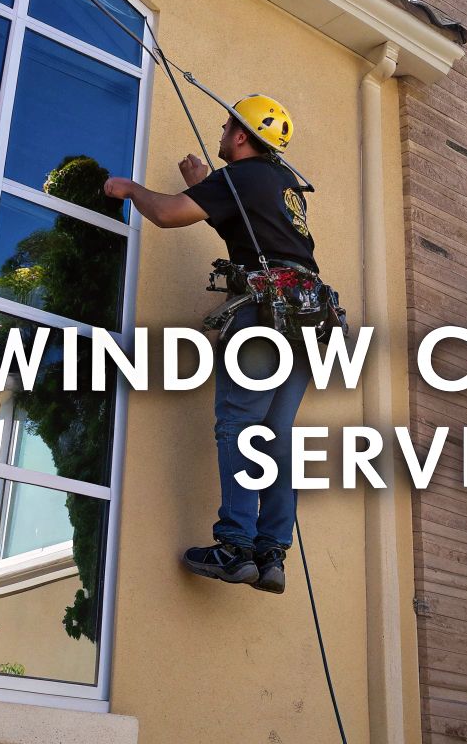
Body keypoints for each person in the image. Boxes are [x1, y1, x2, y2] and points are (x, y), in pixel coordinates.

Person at [102, 94, 314, 594]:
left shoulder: (239, 178)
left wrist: (131, 188)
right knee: (275, 436)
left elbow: (171, 214)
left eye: (226, 128)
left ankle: (235, 546)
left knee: (239, 426)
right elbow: (245, 224)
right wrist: (206, 184)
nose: (220, 133)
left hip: (266, 316)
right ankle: (271, 553)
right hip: (309, 320)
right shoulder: (284, 184)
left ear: (242, 136)